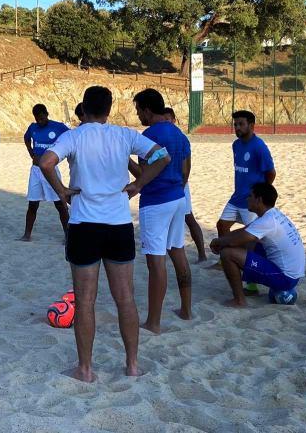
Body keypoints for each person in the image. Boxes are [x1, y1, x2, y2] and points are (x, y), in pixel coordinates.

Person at [39, 86, 169, 382]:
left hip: (85, 224)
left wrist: (61, 191)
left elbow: (46, 162)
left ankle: (85, 369)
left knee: (85, 301)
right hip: (118, 224)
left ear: (84, 108)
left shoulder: (74, 136)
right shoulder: (124, 135)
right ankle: (132, 365)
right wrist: (139, 184)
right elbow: (162, 157)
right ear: (109, 109)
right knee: (125, 298)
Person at [131, 89, 192, 331]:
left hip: (156, 201)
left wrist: (127, 161)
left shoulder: (149, 135)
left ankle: (153, 322)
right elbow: (185, 171)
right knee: (178, 253)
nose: (138, 115)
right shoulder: (179, 134)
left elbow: (143, 175)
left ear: (147, 110)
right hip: (178, 197)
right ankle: (186, 310)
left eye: (138, 110)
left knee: (156, 261)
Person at [209, 183, 305, 307]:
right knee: (249, 241)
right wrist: (222, 240)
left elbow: (234, 241)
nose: (247, 199)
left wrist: (219, 243)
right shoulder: (272, 214)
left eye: (250, 196)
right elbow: (245, 231)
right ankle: (251, 288)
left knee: (227, 253)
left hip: (286, 278)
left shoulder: (267, 221)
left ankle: (239, 301)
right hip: (292, 274)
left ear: (259, 200)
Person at [215, 110, 275, 296]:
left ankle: (252, 283)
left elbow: (271, 172)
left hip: (251, 201)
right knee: (222, 225)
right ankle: (225, 260)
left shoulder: (259, 147)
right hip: (236, 198)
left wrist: (260, 194)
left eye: (241, 124)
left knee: (251, 241)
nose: (237, 128)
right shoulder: (236, 145)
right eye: (235, 124)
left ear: (251, 125)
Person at [19, 104, 70, 242]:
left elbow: (71, 138)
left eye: (42, 118)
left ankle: (68, 236)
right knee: (33, 204)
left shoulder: (58, 127)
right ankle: (27, 235)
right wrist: (31, 153)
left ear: (47, 114)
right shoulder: (33, 127)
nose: (40, 121)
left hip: (50, 170)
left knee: (60, 204)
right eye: (37, 119)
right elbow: (26, 138)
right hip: (36, 171)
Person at [164, 107, 206, 261]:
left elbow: (187, 167)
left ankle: (202, 254)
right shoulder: (162, 137)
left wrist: (181, 186)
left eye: (168, 119)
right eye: (163, 120)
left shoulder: (181, 138)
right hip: (167, 184)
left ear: (174, 120)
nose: (166, 122)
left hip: (179, 185)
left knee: (189, 218)